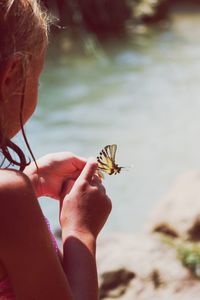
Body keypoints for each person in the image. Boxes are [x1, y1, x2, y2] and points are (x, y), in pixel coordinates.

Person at [0, 1, 112, 299]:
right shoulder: (7, 198)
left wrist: (30, 180)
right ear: (11, 75)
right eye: (38, 77)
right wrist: (79, 230)